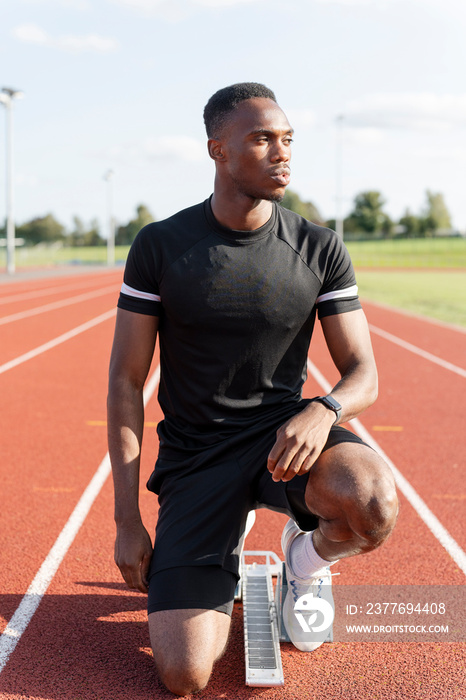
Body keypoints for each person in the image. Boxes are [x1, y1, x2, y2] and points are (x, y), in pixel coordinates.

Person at [107, 82, 398, 697]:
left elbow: (363, 373)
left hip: (282, 442)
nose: (281, 152)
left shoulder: (318, 246)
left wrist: (325, 408)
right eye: (262, 139)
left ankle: (305, 562)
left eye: (287, 139)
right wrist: (128, 519)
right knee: (184, 675)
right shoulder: (162, 246)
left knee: (372, 502)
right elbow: (127, 381)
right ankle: (221, 544)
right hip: (196, 457)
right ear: (217, 149)